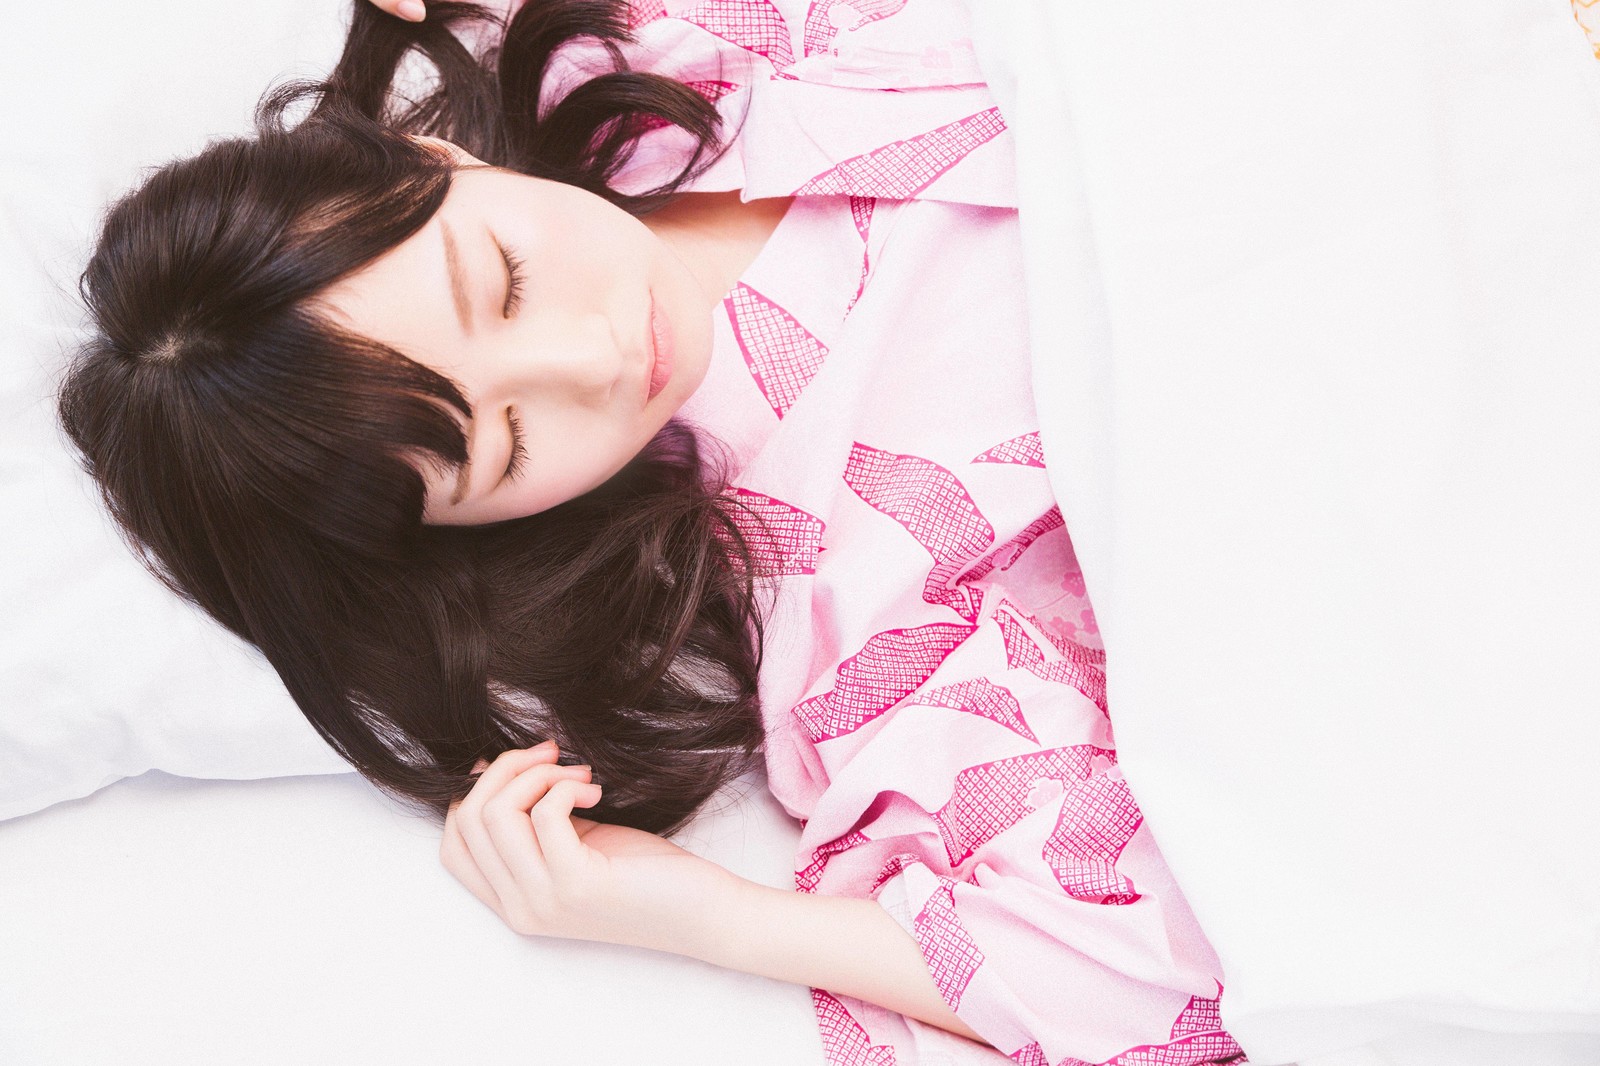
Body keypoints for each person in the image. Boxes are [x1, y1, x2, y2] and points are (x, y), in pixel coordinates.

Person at [57, 1, 1242, 1062]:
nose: (596, 357)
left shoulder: (647, 48)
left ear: (432, 155)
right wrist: (708, 916)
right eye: (508, 443)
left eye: (505, 281)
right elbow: (1159, 982)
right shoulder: (850, 593)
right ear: (475, 526)